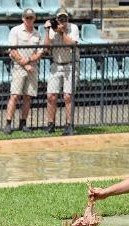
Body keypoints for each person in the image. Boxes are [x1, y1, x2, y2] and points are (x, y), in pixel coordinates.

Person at [4, 8, 43, 135]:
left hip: (32, 68)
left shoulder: (37, 34)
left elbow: (40, 52)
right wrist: (25, 64)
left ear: (34, 18)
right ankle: (8, 123)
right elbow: (13, 51)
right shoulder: (15, 30)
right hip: (19, 67)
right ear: (23, 18)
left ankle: (23, 123)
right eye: (27, 17)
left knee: (28, 97)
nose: (29, 19)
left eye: (31, 17)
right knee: (14, 96)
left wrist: (30, 60)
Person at [43, 7, 79, 136]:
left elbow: (72, 44)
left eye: (65, 18)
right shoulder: (52, 30)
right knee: (51, 96)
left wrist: (62, 32)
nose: (63, 21)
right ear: (57, 19)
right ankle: (50, 124)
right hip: (56, 65)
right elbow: (46, 49)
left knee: (68, 96)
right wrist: (47, 31)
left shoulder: (73, 28)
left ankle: (69, 125)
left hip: (70, 65)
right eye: (60, 19)